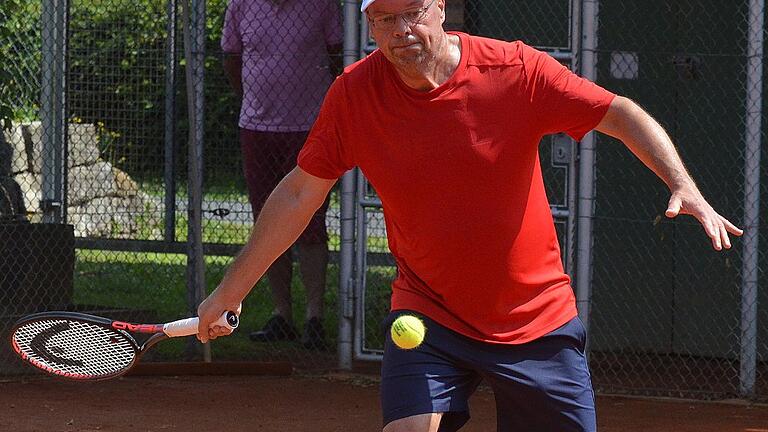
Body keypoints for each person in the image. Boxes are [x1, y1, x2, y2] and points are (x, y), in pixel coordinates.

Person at [201, 0, 743, 430]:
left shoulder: (515, 70)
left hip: (534, 320)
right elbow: (299, 194)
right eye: (383, 19)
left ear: (440, 6)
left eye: (411, 11)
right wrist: (230, 291)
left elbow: (618, 114)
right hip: (429, 314)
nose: (399, 30)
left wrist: (683, 184)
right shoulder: (353, 95)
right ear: (368, 25)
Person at [220, 0, 343, 350]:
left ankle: (314, 317)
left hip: (309, 127)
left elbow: (338, 57)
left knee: (312, 221)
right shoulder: (240, 5)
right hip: (256, 128)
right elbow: (232, 59)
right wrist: (253, 103)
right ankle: (282, 315)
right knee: (267, 223)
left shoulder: (321, 5)